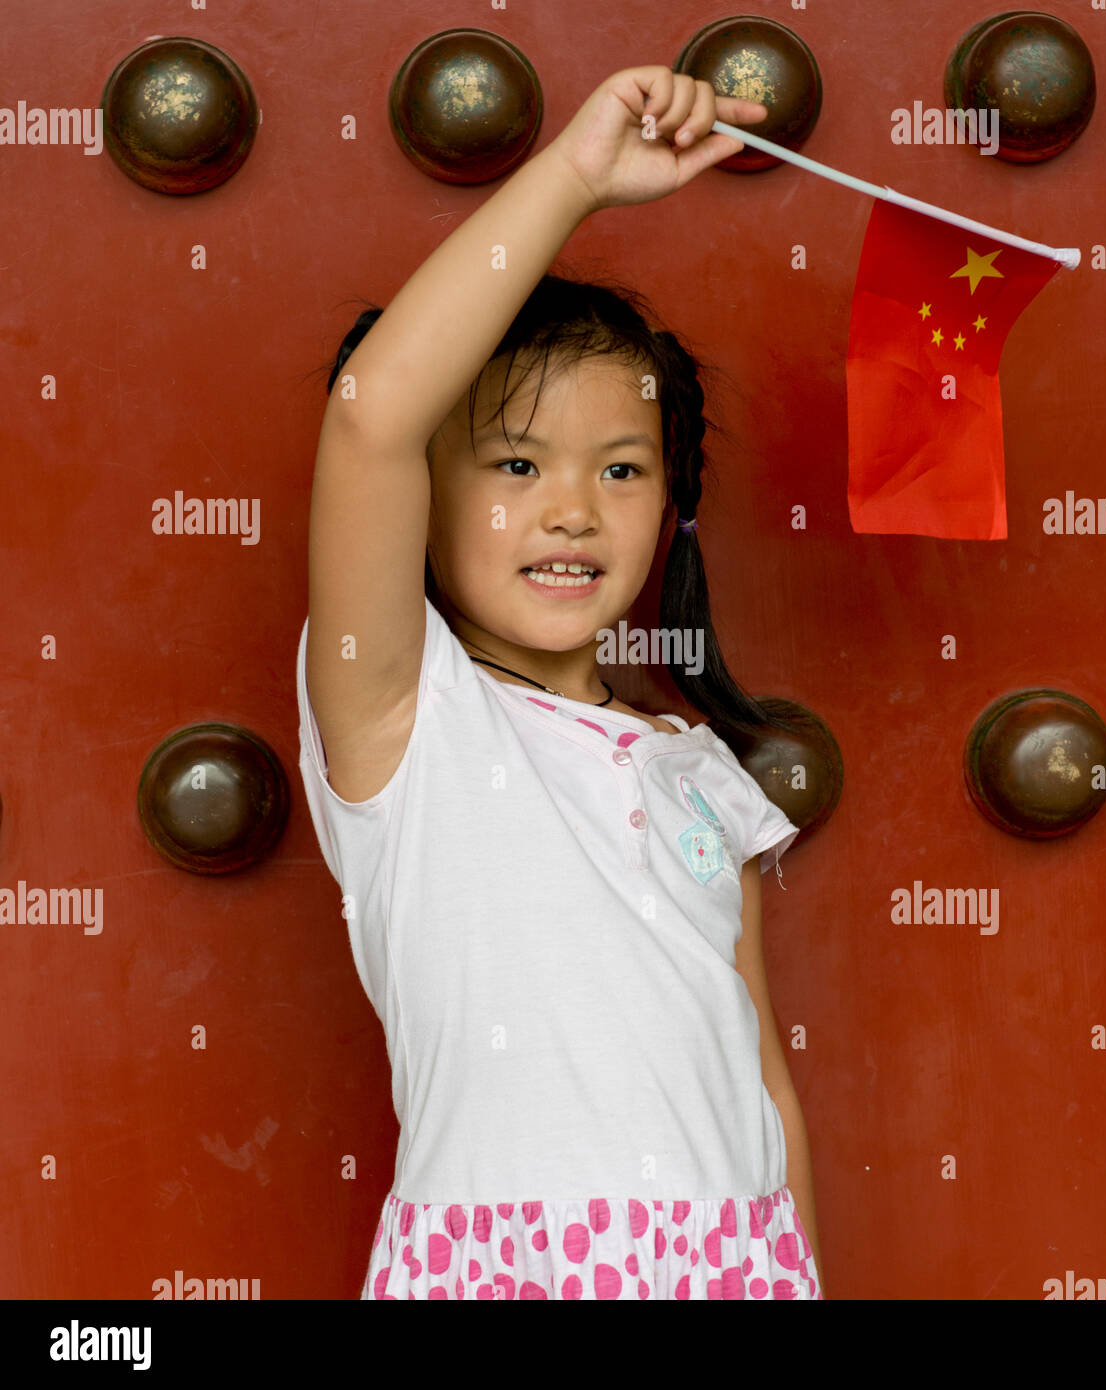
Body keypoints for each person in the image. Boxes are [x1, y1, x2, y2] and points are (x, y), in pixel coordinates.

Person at [296, 64, 824, 1300]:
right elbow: (371, 419)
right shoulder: (405, 721)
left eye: (623, 470)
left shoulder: (698, 775)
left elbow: (761, 1088)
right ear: (429, 500)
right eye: (517, 463)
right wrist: (578, 180)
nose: (574, 510)